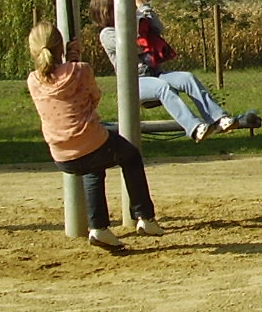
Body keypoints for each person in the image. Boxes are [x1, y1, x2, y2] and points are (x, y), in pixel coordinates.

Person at [25, 21, 163, 254]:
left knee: (93, 167)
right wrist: (74, 63)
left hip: (61, 154)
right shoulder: (81, 70)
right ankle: (145, 216)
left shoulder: (33, 80)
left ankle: (98, 228)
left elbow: (59, 81)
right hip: (90, 141)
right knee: (130, 156)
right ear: (60, 47)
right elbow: (94, 97)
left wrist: (69, 63)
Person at [88, 0, 258, 141]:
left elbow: (158, 28)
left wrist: (143, 6)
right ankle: (194, 127)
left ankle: (218, 119)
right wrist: (140, 18)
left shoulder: (138, 22)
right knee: (162, 86)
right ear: (108, 12)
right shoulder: (107, 34)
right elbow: (136, 46)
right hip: (134, 83)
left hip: (156, 74)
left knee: (187, 78)